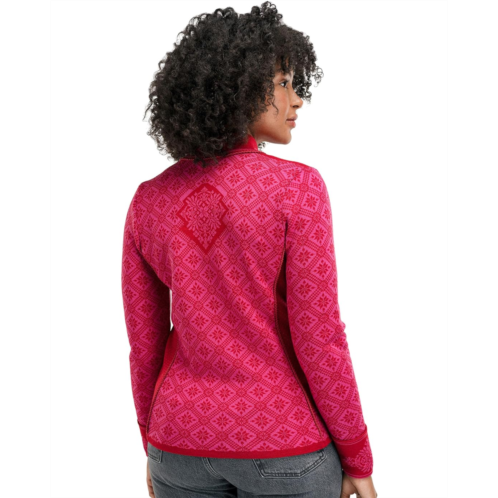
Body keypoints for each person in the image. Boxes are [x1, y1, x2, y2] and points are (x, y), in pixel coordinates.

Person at [121, 2, 377, 497]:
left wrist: (152, 442)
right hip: (284, 445)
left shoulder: (148, 200)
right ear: (238, 88)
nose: (297, 99)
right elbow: (320, 335)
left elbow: (143, 344)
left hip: (177, 444)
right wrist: (357, 455)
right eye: (283, 82)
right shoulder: (298, 188)